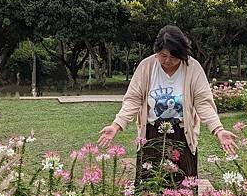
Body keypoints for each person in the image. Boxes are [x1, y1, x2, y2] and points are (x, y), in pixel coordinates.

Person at [98, 25, 237, 181]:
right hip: (152, 133)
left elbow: (203, 103)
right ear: (156, 51)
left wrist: (218, 130)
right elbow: (133, 99)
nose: (168, 61)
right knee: (149, 183)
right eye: (163, 55)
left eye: (174, 56)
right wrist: (116, 126)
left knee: (183, 183)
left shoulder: (193, 68)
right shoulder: (147, 66)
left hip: (181, 133)